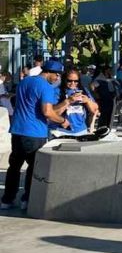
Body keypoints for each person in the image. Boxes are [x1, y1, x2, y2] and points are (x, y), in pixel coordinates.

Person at [2, 60, 74, 211]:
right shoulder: (46, 87)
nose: (57, 78)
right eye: (57, 75)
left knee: (14, 167)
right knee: (34, 167)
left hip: (17, 130)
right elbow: (47, 112)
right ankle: (27, 199)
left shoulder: (25, 82)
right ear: (49, 72)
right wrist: (63, 121)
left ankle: (7, 200)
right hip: (35, 132)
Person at [51, 69, 99, 136]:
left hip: (81, 130)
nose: (73, 83)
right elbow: (51, 112)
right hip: (61, 131)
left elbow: (95, 110)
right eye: (69, 81)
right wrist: (68, 101)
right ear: (64, 79)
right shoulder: (57, 91)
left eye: (76, 81)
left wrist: (88, 101)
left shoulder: (83, 90)